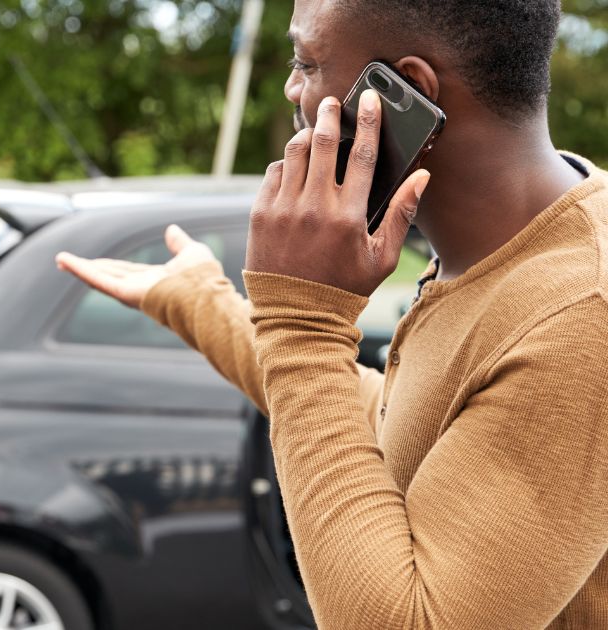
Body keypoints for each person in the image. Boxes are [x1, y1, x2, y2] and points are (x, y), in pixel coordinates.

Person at [57, 1, 608, 628]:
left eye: (308, 61)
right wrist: (204, 306)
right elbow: (408, 426)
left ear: (406, 90)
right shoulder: (515, 255)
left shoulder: (582, 313)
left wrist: (304, 321)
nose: (293, 87)